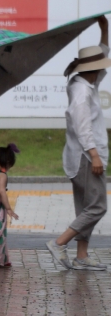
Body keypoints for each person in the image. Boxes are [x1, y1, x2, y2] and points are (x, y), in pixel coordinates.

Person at [47, 16, 111, 271]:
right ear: (94, 68)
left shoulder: (85, 82)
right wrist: (94, 155)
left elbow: (103, 52)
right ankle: (59, 243)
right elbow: (81, 125)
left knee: (86, 208)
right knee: (97, 207)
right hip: (86, 157)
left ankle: (81, 256)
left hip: (84, 156)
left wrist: (104, 30)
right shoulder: (82, 91)